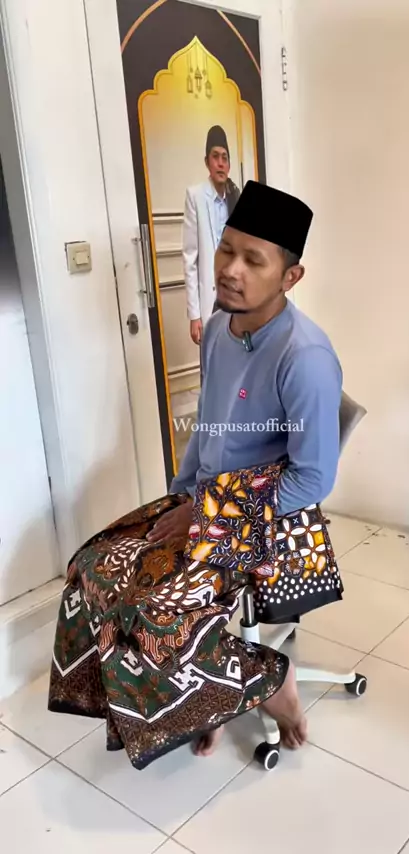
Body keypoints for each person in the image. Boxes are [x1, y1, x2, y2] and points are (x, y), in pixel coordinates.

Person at [48, 181, 342, 768]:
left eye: (253, 260)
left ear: (290, 276)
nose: (229, 269)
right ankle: (203, 703)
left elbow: (313, 480)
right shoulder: (218, 331)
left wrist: (206, 516)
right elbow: (208, 426)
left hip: (272, 522)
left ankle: (267, 682)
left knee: (153, 615)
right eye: (226, 249)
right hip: (204, 501)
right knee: (91, 568)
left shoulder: (304, 357)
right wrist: (177, 498)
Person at [183, 125, 240, 346]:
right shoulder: (195, 196)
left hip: (233, 295)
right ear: (207, 162)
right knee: (210, 357)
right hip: (210, 299)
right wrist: (194, 315)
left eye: (225, 158)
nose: (220, 163)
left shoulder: (236, 199)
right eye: (215, 157)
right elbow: (190, 259)